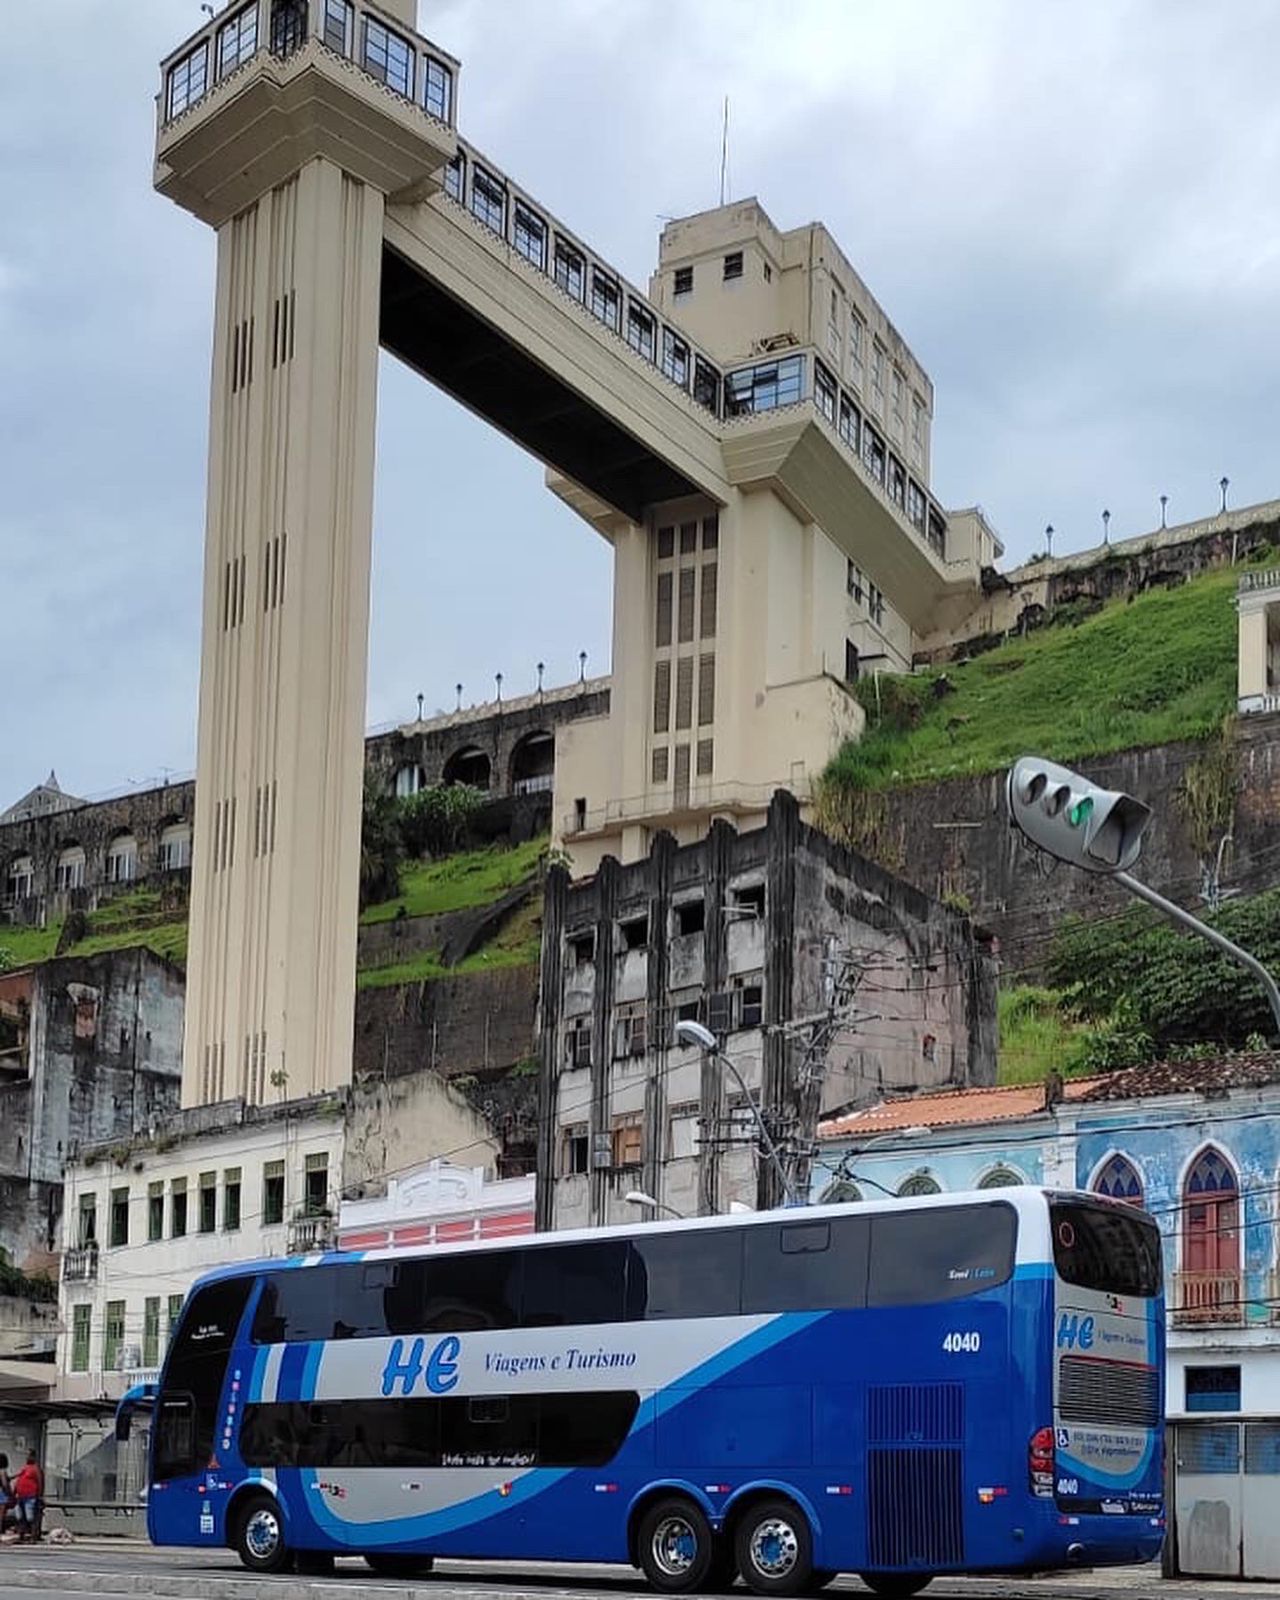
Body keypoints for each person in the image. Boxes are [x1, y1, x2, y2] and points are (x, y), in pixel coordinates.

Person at [11, 1451, 42, 1542]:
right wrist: (14, 1492)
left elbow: (40, 1482)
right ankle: (21, 1535)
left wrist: (39, 1495)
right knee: (20, 1517)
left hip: (30, 1496)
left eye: (29, 1456)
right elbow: (18, 1479)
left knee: (30, 1518)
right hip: (20, 1496)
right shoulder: (24, 1468)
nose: (27, 1458)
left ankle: (33, 1536)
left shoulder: (36, 1469)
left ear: (33, 1457)